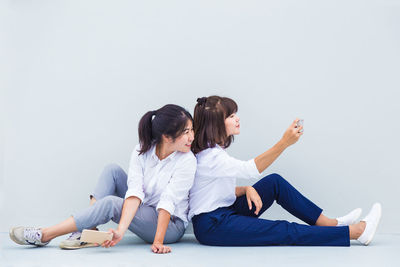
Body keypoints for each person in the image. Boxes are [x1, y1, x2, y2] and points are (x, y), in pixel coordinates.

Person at [189, 95, 381, 246]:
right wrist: (284, 143)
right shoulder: (211, 157)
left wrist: (246, 189)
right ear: (216, 124)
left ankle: (331, 223)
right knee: (283, 230)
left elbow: (212, 192)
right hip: (213, 226)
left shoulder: (214, 151)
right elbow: (250, 170)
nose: (237, 118)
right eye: (231, 116)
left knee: (274, 183)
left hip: (224, 212)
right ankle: (356, 232)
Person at [10, 104, 196, 254]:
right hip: (145, 208)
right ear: (166, 136)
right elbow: (134, 192)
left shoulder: (187, 161)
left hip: (169, 225)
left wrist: (157, 241)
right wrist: (121, 229)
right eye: (186, 132)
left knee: (111, 204)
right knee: (112, 170)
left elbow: (167, 203)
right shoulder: (143, 149)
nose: (192, 137)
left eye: (192, 130)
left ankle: (45, 235)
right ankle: (87, 232)